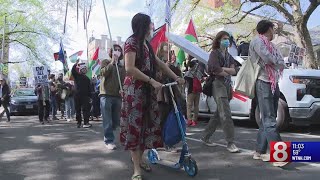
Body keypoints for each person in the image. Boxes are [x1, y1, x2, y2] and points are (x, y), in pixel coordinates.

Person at [120, 13, 185, 180]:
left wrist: (176, 77)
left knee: (146, 129)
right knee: (135, 129)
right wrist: (151, 80)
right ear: (144, 25)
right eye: (150, 24)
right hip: (134, 92)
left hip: (148, 92)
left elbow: (160, 64)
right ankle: (136, 169)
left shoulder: (147, 45)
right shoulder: (131, 42)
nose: (152, 27)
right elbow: (129, 68)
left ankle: (140, 159)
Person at [250, 20, 287, 167]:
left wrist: (276, 61)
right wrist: (276, 61)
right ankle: (280, 155)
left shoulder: (272, 45)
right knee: (270, 119)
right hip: (263, 82)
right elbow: (268, 58)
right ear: (268, 29)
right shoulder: (257, 41)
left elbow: (280, 61)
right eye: (273, 29)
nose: (274, 32)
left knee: (267, 119)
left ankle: (259, 151)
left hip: (273, 83)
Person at [201, 31, 240, 153]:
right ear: (218, 40)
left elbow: (235, 70)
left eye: (228, 38)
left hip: (227, 85)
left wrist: (224, 69)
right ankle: (230, 142)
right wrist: (226, 71)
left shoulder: (229, 55)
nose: (227, 41)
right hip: (218, 84)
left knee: (219, 113)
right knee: (225, 113)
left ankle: (205, 137)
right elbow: (215, 69)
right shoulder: (214, 53)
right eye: (224, 38)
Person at [100, 44, 125, 150]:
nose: (117, 52)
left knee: (116, 120)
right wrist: (111, 63)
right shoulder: (105, 62)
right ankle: (109, 140)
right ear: (111, 52)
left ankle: (110, 132)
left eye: (119, 50)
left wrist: (122, 89)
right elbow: (103, 73)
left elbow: (122, 80)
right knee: (107, 119)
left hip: (117, 96)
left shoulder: (122, 67)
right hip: (106, 94)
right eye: (115, 50)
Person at [72, 61, 92, 128]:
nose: (84, 70)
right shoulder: (77, 76)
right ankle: (79, 122)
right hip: (77, 95)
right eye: (83, 69)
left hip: (85, 96)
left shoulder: (87, 79)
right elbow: (73, 71)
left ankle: (86, 122)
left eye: (85, 69)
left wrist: (90, 97)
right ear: (80, 70)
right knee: (77, 109)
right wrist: (75, 64)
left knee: (86, 109)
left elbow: (89, 89)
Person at [184, 59, 203, 127]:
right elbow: (202, 79)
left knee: (189, 106)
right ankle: (195, 120)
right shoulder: (199, 72)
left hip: (190, 91)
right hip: (197, 91)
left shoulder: (187, 73)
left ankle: (189, 120)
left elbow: (185, 82)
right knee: (196, 106)